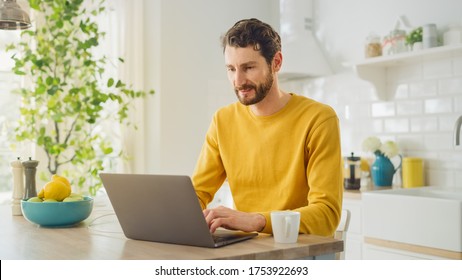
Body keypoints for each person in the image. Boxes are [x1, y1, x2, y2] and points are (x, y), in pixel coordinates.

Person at [192, 18, 343, 237]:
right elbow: (197, 193)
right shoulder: (222, 120)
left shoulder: (318, 119)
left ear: (276, 62)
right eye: (231, 69)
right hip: (247, 250)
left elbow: (327, 215)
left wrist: (256, 220)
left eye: (249, 67)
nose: (238, 80)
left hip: (299, 252)